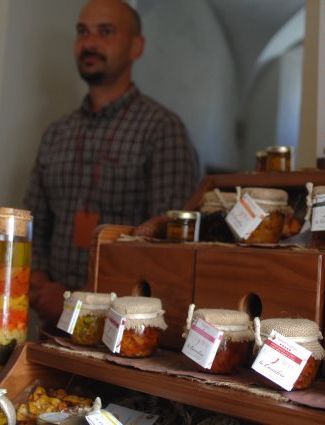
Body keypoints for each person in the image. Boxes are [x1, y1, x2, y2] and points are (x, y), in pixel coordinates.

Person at [23, 0, 198, 329]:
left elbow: (172, 245)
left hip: (124, 331)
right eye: (82, 32)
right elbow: (33, 225)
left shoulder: (162, 129)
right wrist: (42, 288)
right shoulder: (57, 133)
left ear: (136, 47)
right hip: (50, 324)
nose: (89, 43)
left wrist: (78, 305)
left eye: (105, 32)